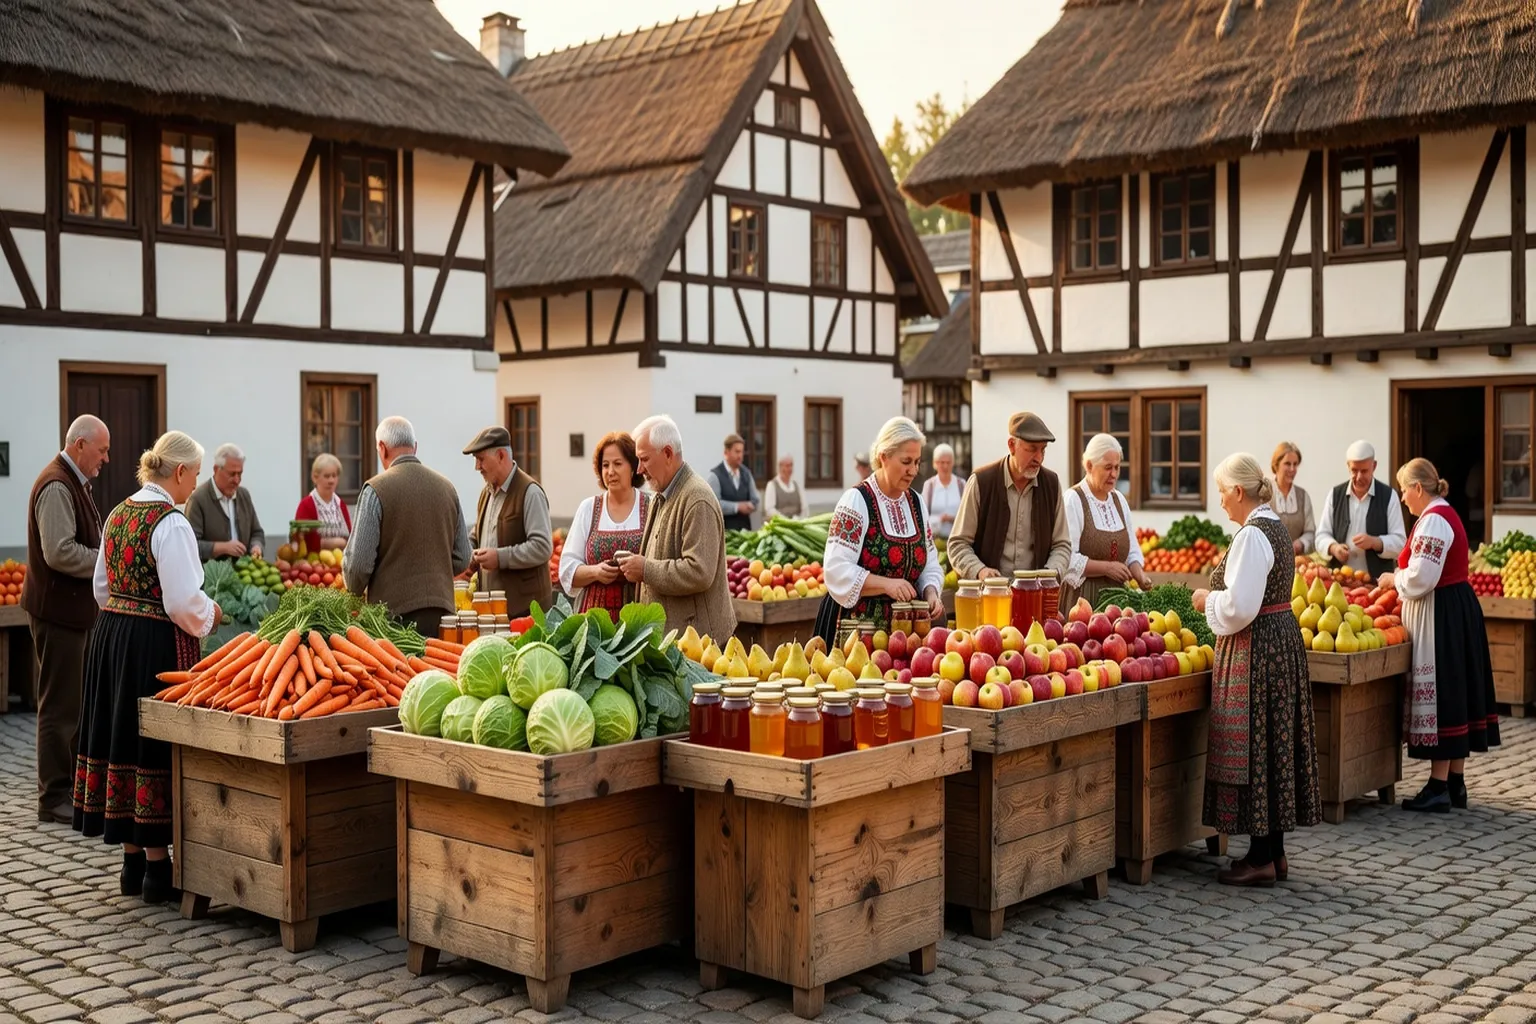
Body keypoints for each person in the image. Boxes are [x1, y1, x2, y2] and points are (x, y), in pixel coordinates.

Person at [74, 431, 220, 903]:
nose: (194, 486)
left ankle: (132, 862)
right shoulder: (170, 523)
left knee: (120, 736)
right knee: (151, 743)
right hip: (153, 645)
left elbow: (102, 587)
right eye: (195, 476)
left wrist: (125, 615)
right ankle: (159, 870)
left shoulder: (118, 512)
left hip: (113, 636)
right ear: (178, 472)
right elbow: (182, 602)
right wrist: (211, 615)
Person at [1191, 454, 1321, 888]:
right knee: (1274, 743)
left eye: (1223, 492)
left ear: (1239, 492)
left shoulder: (1251, 535)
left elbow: (1239, 606)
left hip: (1258, 648)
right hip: (1280, 641)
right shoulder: (1276, 527)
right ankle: (1274, 853)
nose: (1221, 501)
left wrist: (1204, 602)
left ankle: (1262, 856)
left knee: (1258, 744)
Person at [1378, 458, 1500, 813]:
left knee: (1446, 692)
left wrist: (1393, 579)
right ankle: (1455, 782)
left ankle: (1438, 786)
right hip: (1455, 607)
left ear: (1418, 488)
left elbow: (1421, 577)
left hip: (1442, 613)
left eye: (1404, 490)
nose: (1402, 498)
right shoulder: (1444, 513)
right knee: (1456, 689)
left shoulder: (1432, 520)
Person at [22, 415, 109, 825]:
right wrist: (106, 563)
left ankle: (70, 789)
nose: (105, 458)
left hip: (71, 613)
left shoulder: (71, 480)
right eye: (102, 450)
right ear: (78, 445)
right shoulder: (57, 483)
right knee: (59, 707)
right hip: (58, 615)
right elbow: (59, 552)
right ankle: (53, 796)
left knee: (73, 703)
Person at [344, 417, 472, 637]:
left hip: (392, 619)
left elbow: (358, 567)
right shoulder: (447, 488)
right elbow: (463, 557)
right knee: (437, 672)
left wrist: (352, 591)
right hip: (443, 614)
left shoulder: (375, 490)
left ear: (382, 448)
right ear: (415, 447)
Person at [819, 417, 946, 638]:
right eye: (906, 461)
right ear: (883, 457)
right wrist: (886, 584)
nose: (913, 471)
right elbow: (836, 569)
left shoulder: (916, 503)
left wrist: (931, 591)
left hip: (908, 635)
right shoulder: (856, 501)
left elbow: (930, 564)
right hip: (858, 636)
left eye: (917, 462)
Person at [620, 415, 735, 639]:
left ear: (668, 454)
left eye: (644, 459)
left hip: (699, 644)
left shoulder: (697, 499)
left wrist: (645, 569)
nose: (639, 470)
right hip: (679, 639)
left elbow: (699, 572)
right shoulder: (662, 494)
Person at [947, 412, 1072, 582]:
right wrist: (980, 571)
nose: (1039, 458)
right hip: (990, 596)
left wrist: (1049, 575)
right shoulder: (981, 482)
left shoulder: (1051, 484)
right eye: (1032, 449)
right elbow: (958, 544)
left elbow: (1062, 545)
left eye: (1043, 450)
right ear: (1011, 445)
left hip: (1035, 596)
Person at [463, 427, 553, 618]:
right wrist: (468, 551)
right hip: (494, 610)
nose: (477, 467)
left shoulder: (530, 492)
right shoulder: (487, 492)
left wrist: (500, 558)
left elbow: (542, 547)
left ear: (501, 456)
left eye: (480, 459)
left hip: (526, 611)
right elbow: (477, 535)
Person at [560, 432, 650, 614]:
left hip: (639, 618)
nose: (610, 472)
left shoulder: (650, 507)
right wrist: (595, 572)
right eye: (605, 465)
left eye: (618, 464)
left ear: (633, 467)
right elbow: (567, 570)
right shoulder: (589, 508)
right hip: (594, 620)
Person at [1063, 433, 1150, 608]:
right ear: (1089, 465)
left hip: (1117, 601)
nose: (1114, 474)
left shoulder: (1119, 500)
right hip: (1082, 601)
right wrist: (1106, 568)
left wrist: (1140, 575)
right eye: (1108, 467)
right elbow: (1066, 557)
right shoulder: (1074, 499)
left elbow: (1132, 549)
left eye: (1117, 467)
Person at [1315, 440, 1405, 577]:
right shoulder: (1335, 494)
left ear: (1374, 466)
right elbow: (1321, 536)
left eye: (1364, 471)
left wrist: (1376, 542)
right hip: (1339, 582)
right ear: (1347, 466)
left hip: (1377, 583)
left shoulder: (1389, 496)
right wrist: (1333, 548)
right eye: (1354, 470)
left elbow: (1400, 542)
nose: (1359, 477)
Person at [186, 443, 264, 561]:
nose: (237, 480)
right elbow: (189, 546)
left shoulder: (244, 495)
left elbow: (257, 533)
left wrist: (256, 546)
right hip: (212, 576)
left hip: (244, 573)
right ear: (216, 469)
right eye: (232, 474)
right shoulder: (198, 499)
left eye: (240, 473)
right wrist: (220, 547)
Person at [293, 453, 352, 555]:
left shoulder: (340, 504)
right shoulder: (306, 505)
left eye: (334, 476)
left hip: (339, 563)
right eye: (327, 476)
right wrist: (332, 543)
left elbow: (351, 539)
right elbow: (302, 541)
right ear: (315, 478)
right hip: (314, 565)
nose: (331, 481)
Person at [1271, 442, 1316, 557]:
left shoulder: (1303, 496)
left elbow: (1310, 532)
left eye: (1295, 464)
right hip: (1269, 564)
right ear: (1276, 465)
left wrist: (1300, 544)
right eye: (1287, 464)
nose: (1292, 469)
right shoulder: (1264, 495)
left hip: (1297, 565)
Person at [707, 433, 759, 531]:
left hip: (745, 534)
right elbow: (713, 503)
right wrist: (737, 507)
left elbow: (755, 500)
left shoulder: (746, 473)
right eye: (737, 452)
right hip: (724, 535)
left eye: (742, 452)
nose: (740, 456)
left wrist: (751, 505)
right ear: (726, 452)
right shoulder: (715, 475)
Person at [921, 443, 965, 540]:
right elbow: (923, 516)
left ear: (953, 463)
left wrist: (952, 519)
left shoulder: (961, 485)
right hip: (935, 540)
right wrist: (940, 519)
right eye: (941, 462)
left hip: (957, 540)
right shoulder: (929, 485)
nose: (945, 466)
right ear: (935, 464)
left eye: (948, 462)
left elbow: (967, 515)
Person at [762, 455, 803, 520]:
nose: (790, 469)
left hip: (797, 523)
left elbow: (804, 508)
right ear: (780, 467)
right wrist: (785, 520)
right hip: (779, 525)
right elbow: (769, 509)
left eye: (791, 465)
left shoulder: (797, 485)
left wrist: (799, 519)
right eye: (787, 466)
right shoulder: (772, 485)